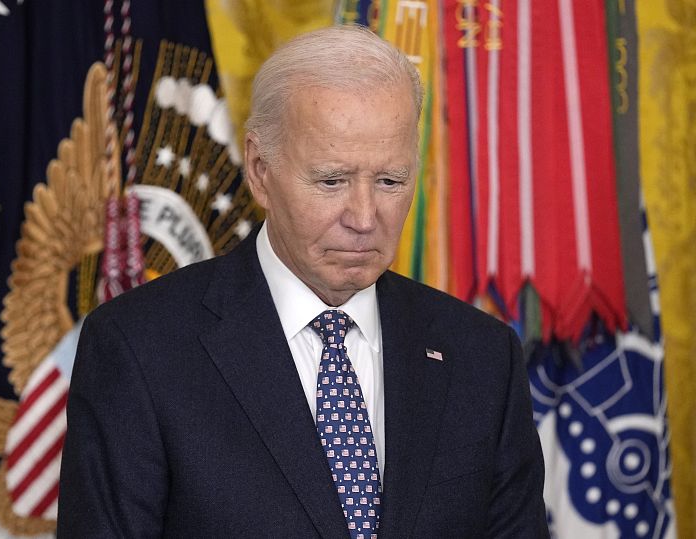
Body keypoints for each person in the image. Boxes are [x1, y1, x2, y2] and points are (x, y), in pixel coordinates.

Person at [58, 25, 548, 538]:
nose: (364, 217)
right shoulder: (139, 348)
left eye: (390, 181)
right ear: (259, 169)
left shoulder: (482, 356)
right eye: (331, 180)